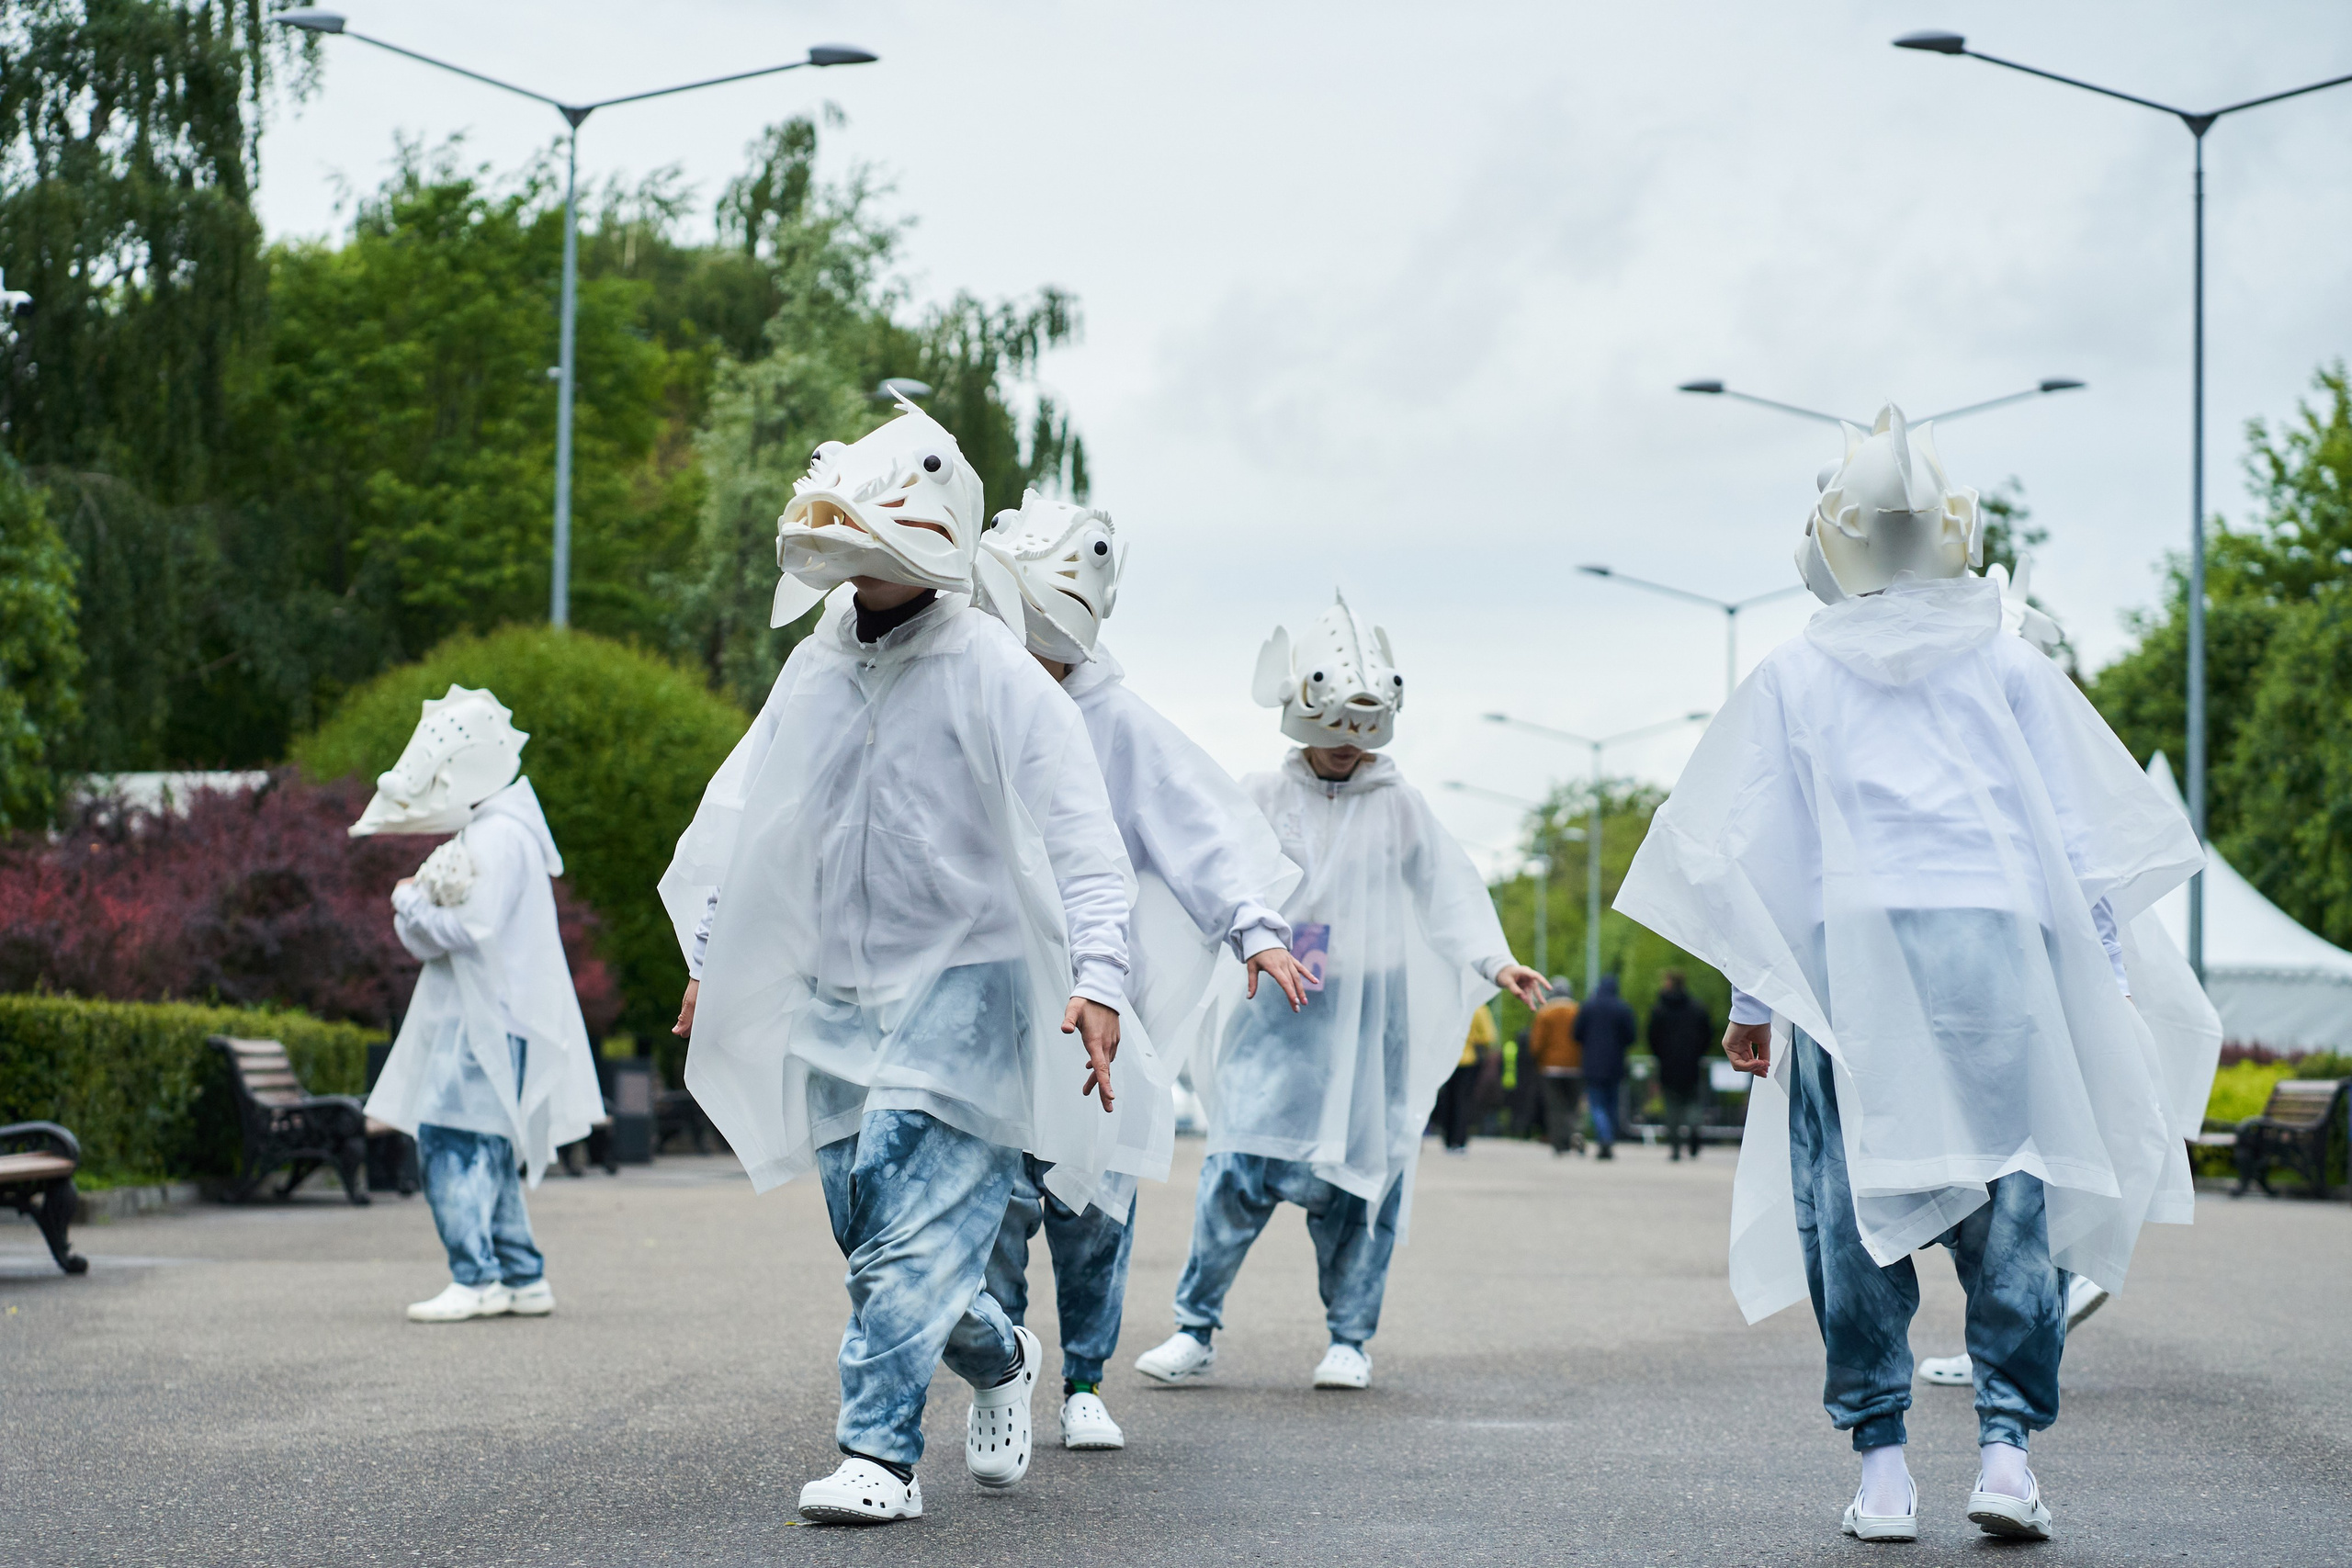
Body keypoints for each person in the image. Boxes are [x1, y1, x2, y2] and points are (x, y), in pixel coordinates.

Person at [1616, 405, 2221, 1545]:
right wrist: (2101, 983)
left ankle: (1884, 1466)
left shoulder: (1796, 671)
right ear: (1952, 530)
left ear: (1830, 543)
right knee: (2016, 1201)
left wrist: (1755, 997)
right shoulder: (2008, 657)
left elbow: (1759, 845)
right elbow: (2078, 840)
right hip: (1998, 958)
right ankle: (2004, 1451)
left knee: (1849, 1208)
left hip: (1856, 961)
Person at [660, 400, 1137, 1526]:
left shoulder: (992, 666)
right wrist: (712, 955)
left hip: (966, 985)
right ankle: (997, 1351)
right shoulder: (814, 666)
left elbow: (1082, 838)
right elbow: (742, 816)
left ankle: (878, 1457)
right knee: (874, 1231)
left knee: (911, 1232)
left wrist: (1100, 977)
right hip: (833, 985)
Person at [1132, 593, 1546, 1393]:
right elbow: (1207, 871)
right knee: (1237, 1164)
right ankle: (1194, 1326)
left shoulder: (1401, 808)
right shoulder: (1260, 793)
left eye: (1358, 740)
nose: (1343, 753)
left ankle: (1350, 1336)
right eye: (1330, 737)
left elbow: (1448, 893)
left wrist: (1496, 962)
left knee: (1362, 1178)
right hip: (1277, 1013)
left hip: (1369, 1020)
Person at [971, 490, 1307, 1453]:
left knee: (1087, 1204)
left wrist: (1253, 926)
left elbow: (1199, 829)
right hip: (987, 996)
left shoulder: (1113, 721)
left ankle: (1082, 1379)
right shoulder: (961, 690)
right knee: (989, 1199)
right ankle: (1000, 1362)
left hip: (1095, 1009)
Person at [355, 687, 603, 1325]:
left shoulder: (494, 836)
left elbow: (473, 925)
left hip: (484, 1018)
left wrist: (410, 900)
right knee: (486, 1143)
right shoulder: (507, 830)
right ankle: (520, 1273)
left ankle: (477, 1275)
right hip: (502, 1014)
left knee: (449, 1138)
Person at [1646, 969, 1712, 1161]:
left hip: (1668, 1064)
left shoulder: (1659, 1010)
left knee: (1672, 1107)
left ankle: (1675, 1147)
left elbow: (1652, 1038)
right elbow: (1707, 1035)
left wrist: (1660, 1055)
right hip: (1691, 1063)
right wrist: (1697, 1053)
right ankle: (1694, 1129)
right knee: (1692, 1102)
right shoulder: (1697, 1008)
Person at [1571, 975, 1635, 1159]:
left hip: (1592, 1063)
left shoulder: (1588, 1007)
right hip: (1615, 1063)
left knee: (1597, 1104)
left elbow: (1576, 1034)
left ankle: (1604, 1137)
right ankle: (1608, 1137)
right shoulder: (1623, 1009)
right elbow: (1631, 1036)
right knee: (1612, 1104)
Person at [1433, 1003, 1497, 1154]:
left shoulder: (1447, 1005)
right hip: (1469, 1060)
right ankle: (1459, 1140)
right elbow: (1488, 1037)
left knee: (1447, 1099)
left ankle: (1448, 1139)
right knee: (1463, 1101)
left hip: (1447, 1059)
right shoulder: (1479, 1008)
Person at [1529, 978, 1582, 1155]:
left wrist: (1536, 1059)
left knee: (1555, 1106)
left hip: (1550, 1067)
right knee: (1572, 1105)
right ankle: (1573, 1135)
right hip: (1575, 1066)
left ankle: (1559, 1143)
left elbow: (1537, 1043)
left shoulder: (1545, 1013)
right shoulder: (1577, 1011)